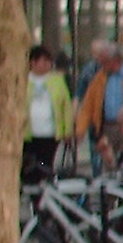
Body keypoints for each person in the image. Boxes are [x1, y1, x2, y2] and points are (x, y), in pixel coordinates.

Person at [22, 45, 73, 180]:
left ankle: (43, 196)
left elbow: (65, 106)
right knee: (29, 168)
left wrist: (67, 130)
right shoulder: (23, 80)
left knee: (45, 166)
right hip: (28, 134)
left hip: (50, 134)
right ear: (32, 62)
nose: (47, 65)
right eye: (43, 61)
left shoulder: (57, 81)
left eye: (48, 61)